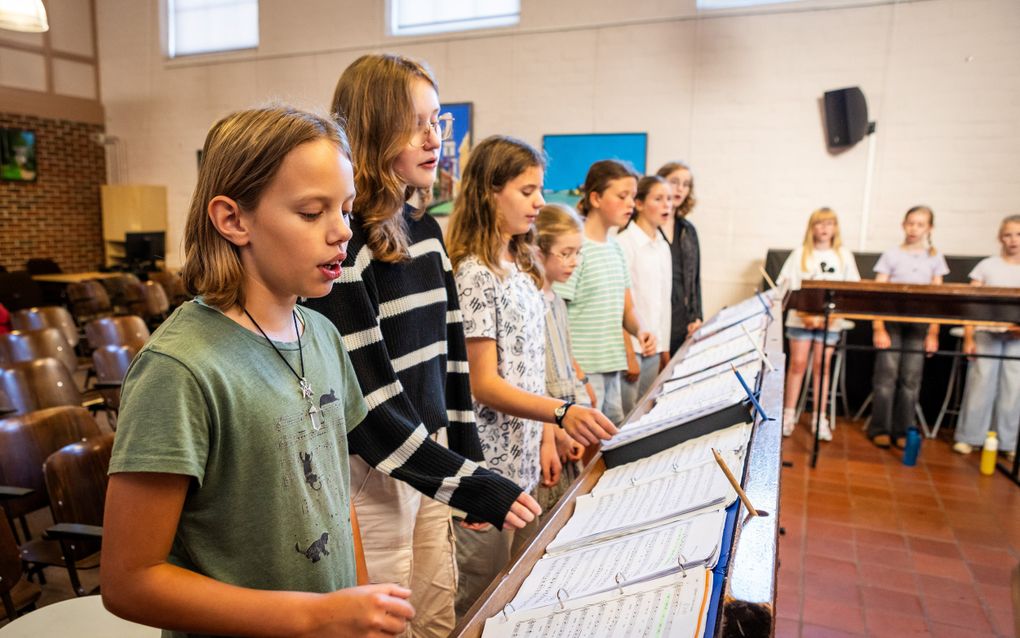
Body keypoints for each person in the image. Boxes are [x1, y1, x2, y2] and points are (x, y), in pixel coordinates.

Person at [102, 105, 416, 637]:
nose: (342, 232)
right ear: (233, 220)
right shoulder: (180, 369)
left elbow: (334, 498)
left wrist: (355, 602)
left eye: (345, 208)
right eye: (312, 212)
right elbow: (130, 580)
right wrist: (314, 617)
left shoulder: (321, 334)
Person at [302, 54, 539, 636]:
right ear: (373, 129)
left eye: (439, 122)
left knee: (436, 615)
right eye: (416, 124)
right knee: (386, 624)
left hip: (429, 461)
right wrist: (465, 480)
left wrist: (468, 463)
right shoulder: (345, 244)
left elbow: (452, 366)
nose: (434, 139)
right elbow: (369, 408)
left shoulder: (428, 232)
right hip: (374, 471)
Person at [446, 136, 617, 616]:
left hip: (519, 461)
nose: (540, 201)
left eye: (540, 189)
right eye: (527, 190)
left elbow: (531, 367)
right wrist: (563, 413)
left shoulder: (519, 267)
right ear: (489, 192)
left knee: (509, 584)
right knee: (475, 596)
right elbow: (484, 383)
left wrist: (546, 432)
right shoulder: (474, 273)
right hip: (485, 465)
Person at [553, 159, 657, 425]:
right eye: (622, 196)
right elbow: (556, 316)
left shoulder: (616, 247)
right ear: (596, 198)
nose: (631, 204)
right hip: (582, 371)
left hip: (612, 368)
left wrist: (640, 330)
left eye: (633, 197)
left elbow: (627, 309)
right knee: (587, 447)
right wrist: (577, 374)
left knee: (610, 439)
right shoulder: (576, 248)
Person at [869, 205, 949, 449]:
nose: (914, 228)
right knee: (886, 377)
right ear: (904, 225)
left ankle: (903, 430)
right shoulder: (891, 255)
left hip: (919, 326)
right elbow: (877, 294)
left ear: (929, 228)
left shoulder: (935, 258)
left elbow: (938, 299)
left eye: (920, 224)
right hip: (892, 323)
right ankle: (880, 428)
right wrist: (878, 327)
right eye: (910, 223)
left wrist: (933, 332)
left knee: (911, 380)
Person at [777, 208, 860, 440]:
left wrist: (827, 319)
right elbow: (784, 290)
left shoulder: (843, 256)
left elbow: (851, 294)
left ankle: (819, 418)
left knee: (822, 367)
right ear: (812, 227)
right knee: (798, 365)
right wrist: (806, 316)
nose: (823, 229)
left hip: (829, 324)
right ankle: (788, 414)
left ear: (835, 228)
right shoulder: (800, 254)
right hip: (801, 320)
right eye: (819, 224)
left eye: (829, 224)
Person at [534, 203, 592, 511]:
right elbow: (532, 381)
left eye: (577, 253)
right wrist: (554, 435)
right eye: (565, 253)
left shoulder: (556, 301)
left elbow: (568, 362)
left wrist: (578, 424)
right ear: (538, 250)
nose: (573, 262)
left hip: (566, 423)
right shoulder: (531, 302)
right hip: (546, 427)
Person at [953, 214, 1020, 460]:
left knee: (1013, 388)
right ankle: (969, 437)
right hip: (987, 333)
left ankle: (1007, 441)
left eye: (1018, 234)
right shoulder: (987, 266)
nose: (1014, 240)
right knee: (981, 383)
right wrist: (969, 337)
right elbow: (970, 304)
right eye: (1009, 234)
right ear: (1000, 237)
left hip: (1016, 338)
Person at [618, 175, 673, 415]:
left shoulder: (662, 244)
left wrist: (664, 347)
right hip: (630, 349)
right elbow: (620, 303)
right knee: (624, 416)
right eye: (658, 199)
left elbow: (663, 301)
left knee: (644, 413)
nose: (667, 205)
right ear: (639, 204)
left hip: (654, 347)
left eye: (669, 199)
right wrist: (628, 352)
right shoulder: (623, 243)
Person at [657, 161, 702, 354]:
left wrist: (696, 317)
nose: (680, 189)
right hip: (655, 318)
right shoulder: (647, 227)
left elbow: (695, 279)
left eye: (686, 184)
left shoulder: (688, 229)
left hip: (681, 318)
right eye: (674, 182)